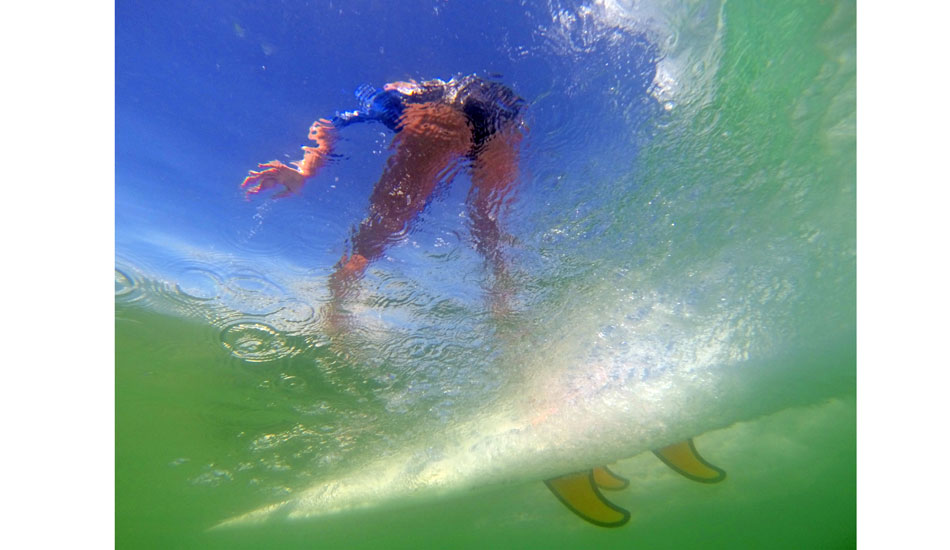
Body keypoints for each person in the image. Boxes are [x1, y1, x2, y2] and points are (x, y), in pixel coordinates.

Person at [242, 75, 527, 319]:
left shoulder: (395, 106)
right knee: (488, 221)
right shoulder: (406, 102)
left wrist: (304, 171)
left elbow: (331, 123)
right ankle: (504, 298)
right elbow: (332, 122)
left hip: (471, 113)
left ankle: (337, 308)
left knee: (388, 219)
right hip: (502, 118)